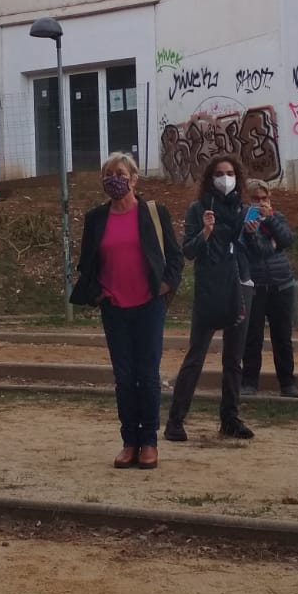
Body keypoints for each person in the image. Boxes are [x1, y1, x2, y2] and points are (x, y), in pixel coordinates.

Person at [70, 152, 184, 469]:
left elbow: (174, 257)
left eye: (119, 173)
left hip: (149, 306)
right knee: (124, 378)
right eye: (107, 174)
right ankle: (128, 442)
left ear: (134, 178)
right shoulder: (96, 219)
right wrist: (97, 296)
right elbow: (86, 264)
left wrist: (165, 285)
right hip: (114, 308)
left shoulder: (154, 212)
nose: (113, 179)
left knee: (147, 376)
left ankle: (149, 442)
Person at [165, 155, 257, 442]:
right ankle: (175, 421)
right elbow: (189, 251)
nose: (225, 178)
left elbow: (257, 251)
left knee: (234, 358)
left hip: (241, 285)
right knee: (196, 354)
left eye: (230, 173)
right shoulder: (198, 209)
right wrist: (205, 232)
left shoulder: (243, 210)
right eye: (219, 173)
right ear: (210, 178)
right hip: (211, 287)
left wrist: (253, 234)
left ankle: (230, 418)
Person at [239, 179, 298, 399]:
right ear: (247, 200)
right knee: (252, 337)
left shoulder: (277, 217)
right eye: (255, 199)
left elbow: (287, 239)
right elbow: (259, 251)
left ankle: (287, 383)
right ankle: (249, 382)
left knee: (282, 336)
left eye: (264, 198)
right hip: (255, 286)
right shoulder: (243, 223)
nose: (261, 203)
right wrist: (254, 234)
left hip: (281, 283)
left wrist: (272, 221)